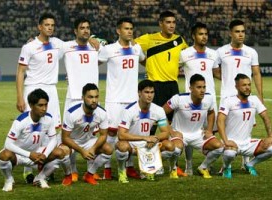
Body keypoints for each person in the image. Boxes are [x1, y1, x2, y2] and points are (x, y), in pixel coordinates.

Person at [135, 11, 188, 176]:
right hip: (155, 86)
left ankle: (174, 165)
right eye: (168, 22)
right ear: (160, 23)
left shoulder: (180, 40)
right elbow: (133, 49)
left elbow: (187, 57)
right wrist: (148, 64)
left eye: (173, 22)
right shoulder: (149, 39)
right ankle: (146, 165)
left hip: (172, 86)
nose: (171, 25)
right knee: (150, 127)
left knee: (172, 126)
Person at [16, 13, 63, 182]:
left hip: (51, 90)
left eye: (52, 25)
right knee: (31, 130)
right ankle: (27, 169)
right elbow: (20, 72)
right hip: (33, 90)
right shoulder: (29, 47)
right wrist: (20, 97)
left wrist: (93, 40)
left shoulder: (57, 44)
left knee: (51, 130)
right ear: (39, 27)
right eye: (47, 25)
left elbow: (75, 47)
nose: (50, 27)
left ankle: (44, 164)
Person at [98, 17, 145, 179]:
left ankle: (129, 167)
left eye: (131, 29)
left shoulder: (137, 49)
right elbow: (94, 63)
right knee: (111, 134)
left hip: (132, 100)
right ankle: (107, 168)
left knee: (129, 134)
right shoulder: (109, 49)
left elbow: (144, 61)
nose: (130, 31)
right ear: (118, 31)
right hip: (114, 100)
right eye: (126, 29)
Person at [0, 89, 70, 192]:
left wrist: (45, 154)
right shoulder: (21, 121)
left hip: (38, 154)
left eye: (46, 105)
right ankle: (9, 180)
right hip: (19, 155)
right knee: (4, 155)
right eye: (40, 105)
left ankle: (40, 178)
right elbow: (8, 144)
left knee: (60, 152)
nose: (44, 109)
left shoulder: (48, 119)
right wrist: (29, 154)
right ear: (31, 105)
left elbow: (53, 139)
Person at [216, 19, 263, 169]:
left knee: (247, 127)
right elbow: (215, 71)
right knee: (226, 129)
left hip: (246, 97)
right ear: (230, 33)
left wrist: (260, 96)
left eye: (243, 31)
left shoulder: (251, 52)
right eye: (237, 31)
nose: (241, 34)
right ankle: (227, 163)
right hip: (227, 97)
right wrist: (227, 79)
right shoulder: (221, 51)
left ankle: (245, 161)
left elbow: (256, 73)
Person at [62, 17, 102, 182]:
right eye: (82, 28)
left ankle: (91, 170)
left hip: (91, 97)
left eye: (87, 28)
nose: (85, 30)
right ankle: (73, 170)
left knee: (92, 132)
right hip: (73, 97)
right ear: (75, 31)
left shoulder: (96, 46)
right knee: (71, 135)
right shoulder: (66, 46)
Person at [163, 74, 224, 179]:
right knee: (176, 149)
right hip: (180, 134)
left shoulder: (209, 98)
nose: (202, 90)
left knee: (219, 147)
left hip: (198, 134)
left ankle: (203, 167)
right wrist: (171, 132)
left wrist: (209, 130)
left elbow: (211, 112)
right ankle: (173, 169)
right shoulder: (179, 99)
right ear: (191, 88)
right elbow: (161, 113)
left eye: (204, 87)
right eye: (199, 87)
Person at [179, 22, 220, 175]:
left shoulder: (213, 54)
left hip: (210, 99)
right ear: (193, 36)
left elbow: (216, 73)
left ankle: (206, 164)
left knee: (210, 132)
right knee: (189, 132)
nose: (204, 37)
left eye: (206, 34)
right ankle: (188, 164)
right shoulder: (184, 53)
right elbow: (173, 69)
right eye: (200, 34)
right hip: (190, 100)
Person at [116, 80, 176, 183]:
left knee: (170, 146)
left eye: (152, 92)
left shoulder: (158, 110)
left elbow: (165, 132)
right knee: (122, 147)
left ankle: (149, 168)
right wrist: (144, 138)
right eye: (146, 92)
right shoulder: (129, 110)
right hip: (132, 144)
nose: (150, 95)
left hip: (148, 144)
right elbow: (121, 135)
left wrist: (155, 139)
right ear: (139, 93)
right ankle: (122, 171)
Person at [217, 74, 272, 178]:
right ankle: (226, 167)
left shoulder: (254, 100)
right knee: (230, 154)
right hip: (231, 143)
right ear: (236, 87)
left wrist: (270, 136)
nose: (247, 87)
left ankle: (249, 164)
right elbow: (220, 121)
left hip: (247, 143)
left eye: (249, 84)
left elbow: (265, 117)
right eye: (244, 85)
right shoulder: (228, 101)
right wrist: (225, 140)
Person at [61, 83, 113, 185]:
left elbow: (103, 135)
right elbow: (65, 138)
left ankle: (89, 174)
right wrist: (82, 151)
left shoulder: (102, 113)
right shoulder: (71, 113)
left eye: (96, 97)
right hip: (71, 140)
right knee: (63, 152)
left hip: (87, 140)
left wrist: (93, 149)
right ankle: (68, 175)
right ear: (83, 98)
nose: (94, 100)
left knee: (109, 149)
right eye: (90, 97)